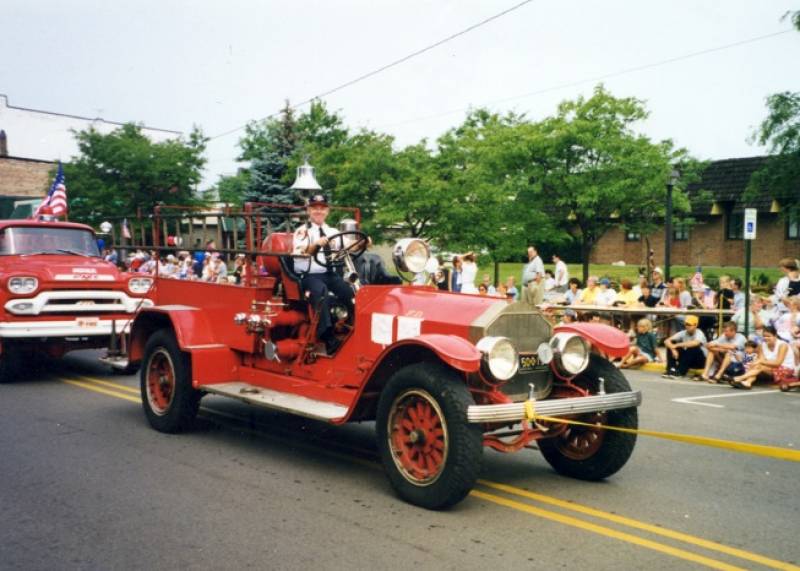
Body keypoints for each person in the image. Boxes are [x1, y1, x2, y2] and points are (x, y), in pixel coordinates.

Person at [292, 193, 355, 354]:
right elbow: (302, 251)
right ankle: (327, 337)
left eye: (322, 208)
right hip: (309, 275)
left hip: (329, 273)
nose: (318, 211)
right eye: (315, 208)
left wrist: (364, 241)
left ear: (327, 211)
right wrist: (315, 245)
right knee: (321, 294)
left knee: (351, 293)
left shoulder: (332, 231)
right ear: (309, 210)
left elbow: (349, 245)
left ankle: (353, 326)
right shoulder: (302, 232)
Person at [731, 326, 797, 389]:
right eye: (764, 336)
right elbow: (761, 359)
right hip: (770, 367)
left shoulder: (782, 345)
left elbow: (778, 363)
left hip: (785, 369)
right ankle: (748, 382)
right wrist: (755, 363)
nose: (766, 338)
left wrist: (760, 362)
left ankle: (740, 378)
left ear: (775, 336)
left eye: (768, 336)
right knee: (757, 365)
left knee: (760, 366)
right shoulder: (762, 345)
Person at [663, 315, 707, 379]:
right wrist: (673, 349)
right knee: (671, 343)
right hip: (688, 359)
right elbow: (666, 341)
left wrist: (677, 345)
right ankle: (671, 369)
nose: (687, 326)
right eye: (686, 324)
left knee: (693, 347)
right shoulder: (683, 332)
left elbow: (695, 343)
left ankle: (680, 372)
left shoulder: (699, 333)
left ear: (695, 325)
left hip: (700, 361)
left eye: (689, 325)